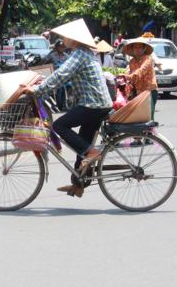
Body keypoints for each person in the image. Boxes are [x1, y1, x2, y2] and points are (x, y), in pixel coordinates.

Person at [24, 19, 113, 198]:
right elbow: (60, 75)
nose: (63, 39)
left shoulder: (79, 54)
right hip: (97, 103)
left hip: (93, 104)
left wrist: (36, 91)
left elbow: (61, 76)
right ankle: (79, 184)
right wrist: (42, 84)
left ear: (73, 38)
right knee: (83, 141)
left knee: (59, 126)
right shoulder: (83, 53)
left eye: (65, 36)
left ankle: (92, 153)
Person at [122, 37, 158, 120]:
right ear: (132, 49)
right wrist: (124, 76)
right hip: (138, 91)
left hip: (149, 91)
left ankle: (151, 130)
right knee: (139, 116)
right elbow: (129, 72)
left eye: (140, 47)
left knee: (149, 115)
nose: (137, 49)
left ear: (143, 48)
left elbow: (141, 70)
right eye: (135, 47)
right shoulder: (132, 61)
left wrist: (129, 76)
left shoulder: (148, 59)